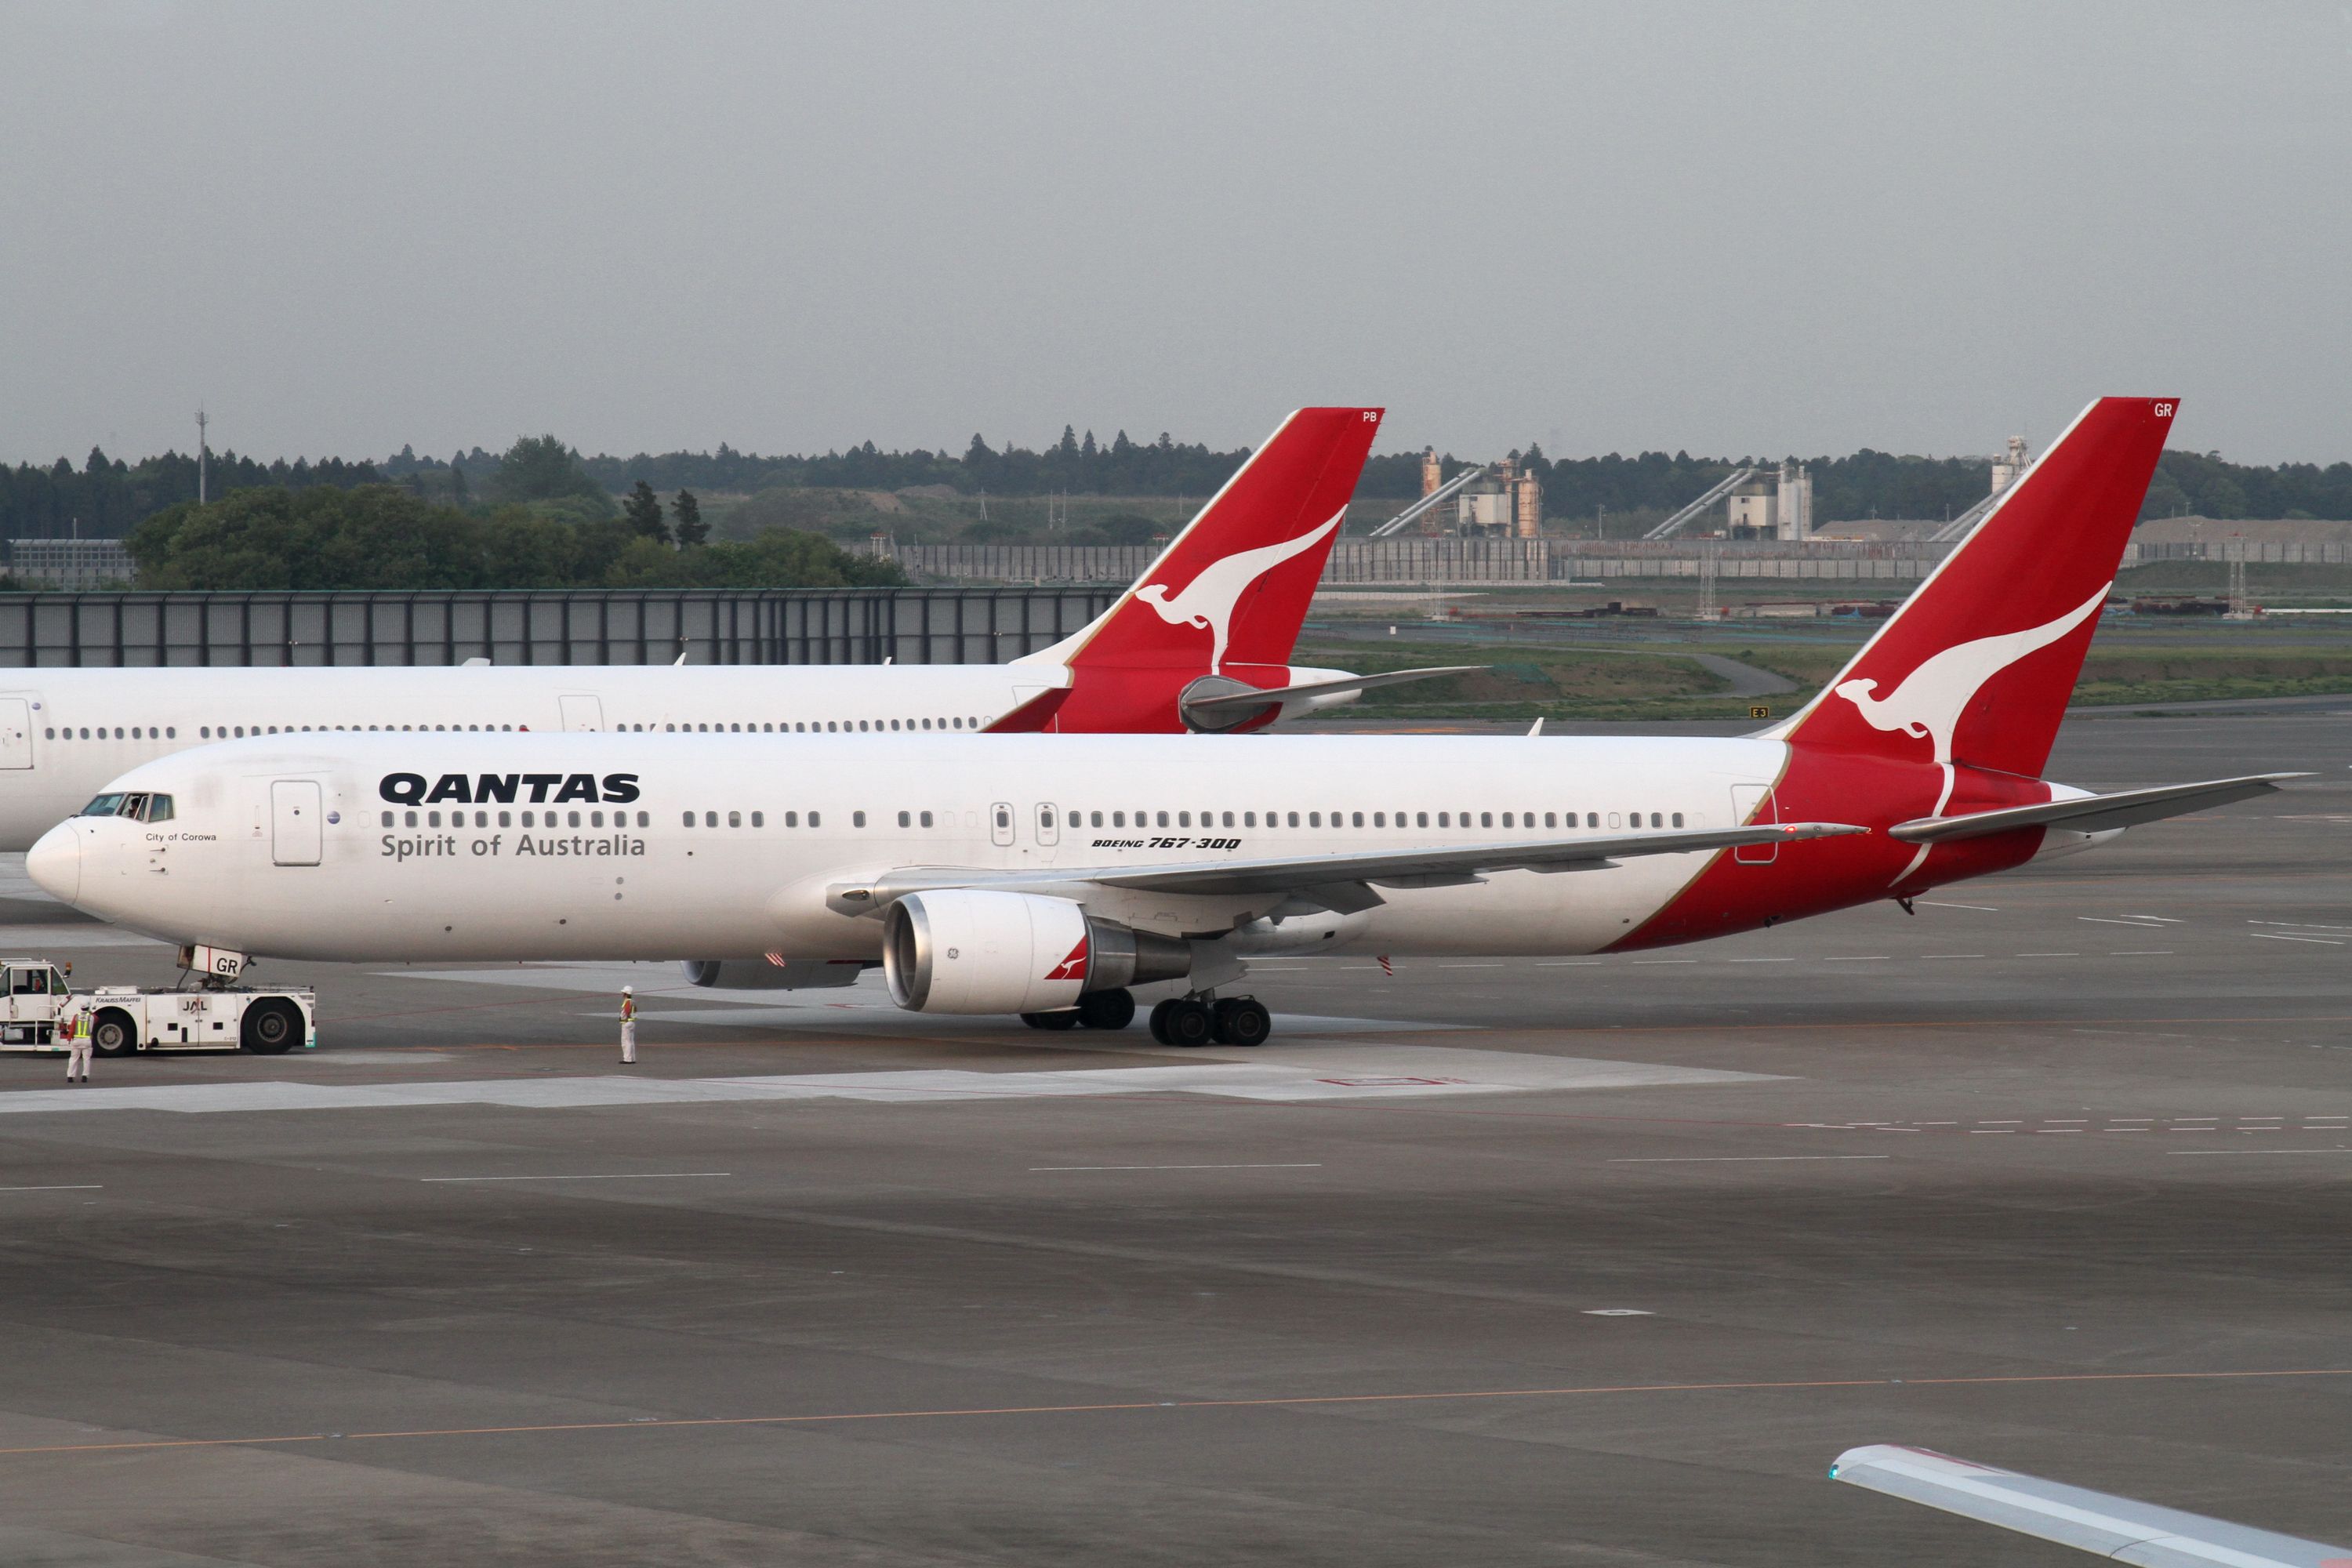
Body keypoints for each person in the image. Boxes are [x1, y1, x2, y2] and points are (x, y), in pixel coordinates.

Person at [60, 1000, 91, 1084]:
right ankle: (84, 1076)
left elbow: (72, 1029)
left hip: (77, 1040)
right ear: (88, 1007)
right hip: (87, 1041)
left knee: (73, 1058)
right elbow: (96, 1019)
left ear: (81, 1008)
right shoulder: (91, 1017)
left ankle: (70, 1076)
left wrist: (69, 1039)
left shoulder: (76, 1017)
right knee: (86, 1059)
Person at [619, 985, 637, 1065]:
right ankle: (632, 1058)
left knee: (626, 1042)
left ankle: (627, 1059)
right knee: (631, 1041)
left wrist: (624, 1016)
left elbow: (627, 1011)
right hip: (632, 1022)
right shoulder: (632, 1001)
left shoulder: (628, 1001)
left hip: (627, 1022)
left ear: (626, 994)